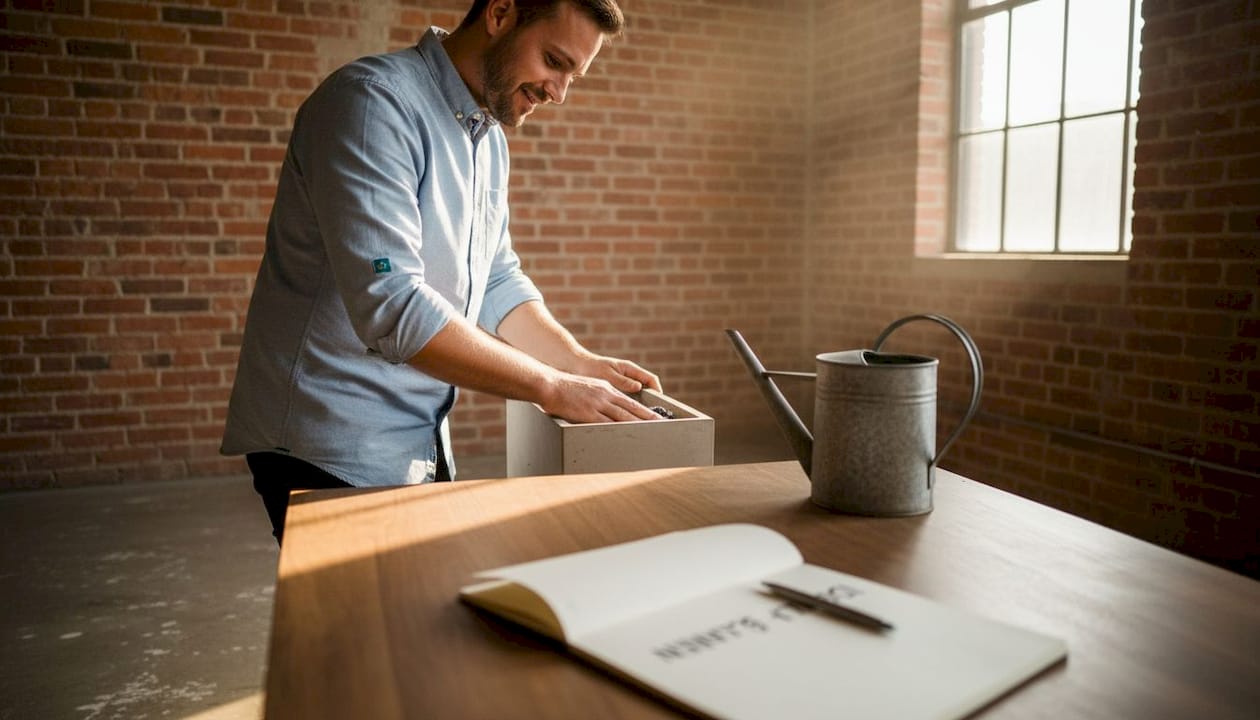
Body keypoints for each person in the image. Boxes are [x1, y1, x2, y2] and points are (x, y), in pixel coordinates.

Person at [220, 0, 659, 543]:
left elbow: (497, 277)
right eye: (553, 60)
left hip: (418, 440)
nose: (558, 92)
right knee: (378, 623)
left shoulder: (488, 137)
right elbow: (392, 306)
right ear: (500, 14)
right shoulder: (372, 104)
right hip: (329, 446)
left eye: (573, 75)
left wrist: (578, 362)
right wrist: (550, 386)